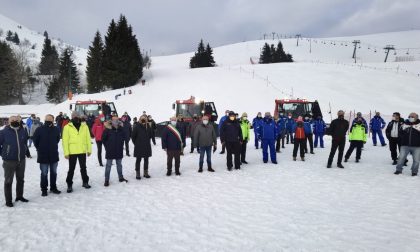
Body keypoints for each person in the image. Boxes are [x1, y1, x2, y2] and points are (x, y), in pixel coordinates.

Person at [0, 116, 29, 207]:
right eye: (12, 120)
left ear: (20, 121)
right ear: (8, 122)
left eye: (16, 120)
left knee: (20, 179)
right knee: (8, 181)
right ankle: (8, 200)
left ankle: (19, 196)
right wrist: (4, 154)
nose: (14, 121)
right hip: (9, 161)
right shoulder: (3, 132)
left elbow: (24, 143)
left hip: (21, 160)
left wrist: (25, 152)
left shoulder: (23, 130)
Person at [62, 111, 92, 193]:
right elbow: (65, 141)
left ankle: (85, 182)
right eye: (74, 115)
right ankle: (69, 184)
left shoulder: (84, 126)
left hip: (82, 150)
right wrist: (66, 153)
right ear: (71, 117)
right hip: (72, 151)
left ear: (79, 116)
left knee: (83, 168)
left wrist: (89, 150)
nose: (75, 117)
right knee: (71, 169)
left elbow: (88, 139)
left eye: (77, 115)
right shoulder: (67, 127)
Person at [32, 114, 61, 196]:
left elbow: (57, 139)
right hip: (43, 155)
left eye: (50, 119)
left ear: (53, 120)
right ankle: (44, 189)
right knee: (44, 173)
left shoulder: (56, 129)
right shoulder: (39, 129)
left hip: (53, 154)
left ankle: (53, 187)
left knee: (54, 172)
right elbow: (35, 141)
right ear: (44, 119)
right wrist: (40, 149)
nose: (48, 120)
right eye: (47, 119)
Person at [102, 116, 128, 186]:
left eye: (117, 120)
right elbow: (103, 139)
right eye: (114, 120)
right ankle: (106, 180)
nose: (115, 121)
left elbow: (125, 137)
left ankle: (121, 177)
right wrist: (107, 147)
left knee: (119, 164)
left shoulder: (121, 129)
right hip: (110, 150)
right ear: (111, 121)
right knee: (108, 165)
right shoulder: (107, 129)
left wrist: (121, 143)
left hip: (119, 149)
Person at [132, 115, 153, 179]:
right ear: (140, 119)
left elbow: (151, 135)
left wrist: (150, 126)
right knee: (138, 160)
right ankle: (137, 173)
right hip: (139, 146)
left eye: (145, 118)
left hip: (146, 146)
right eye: (142, 118)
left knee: (146, 160)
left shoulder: (148, 126)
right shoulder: (136, 126)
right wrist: (136, 143)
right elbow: (133, 137)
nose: (143, 120)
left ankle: (145, 172)